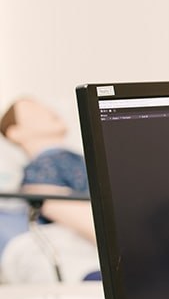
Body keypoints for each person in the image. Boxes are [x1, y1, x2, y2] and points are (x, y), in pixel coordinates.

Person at [0, 98, 97, 283]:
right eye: (33, 109)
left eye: (43, 105)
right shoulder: (41, 171)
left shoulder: (79, 159)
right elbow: (67, 211)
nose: (47, 109)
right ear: (15, 132)